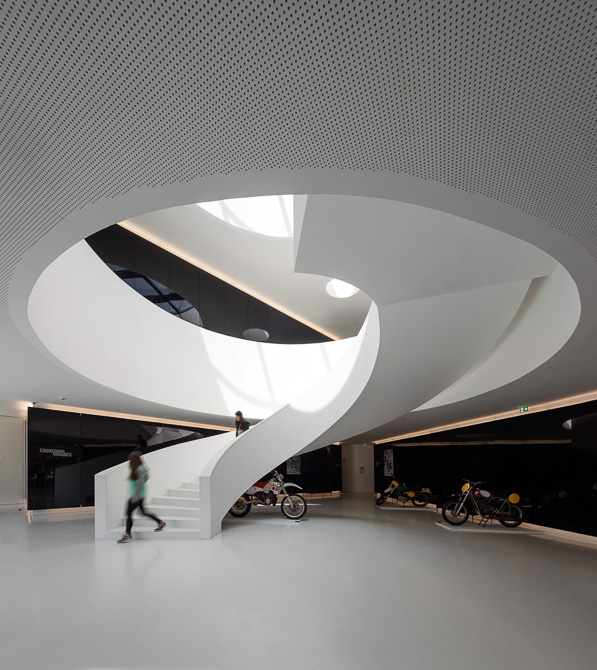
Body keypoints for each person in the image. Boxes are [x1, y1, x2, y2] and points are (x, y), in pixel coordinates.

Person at [117, 451, 165, 543]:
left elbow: (140, 484)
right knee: (143, 512)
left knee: (129, 513)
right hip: (139, 495)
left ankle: (127, 534)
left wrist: (135, 496)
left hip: (136, 496)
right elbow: (144, 480)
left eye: (130, 459)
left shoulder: (138, 470)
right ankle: (161, 522)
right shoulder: (142, 468)